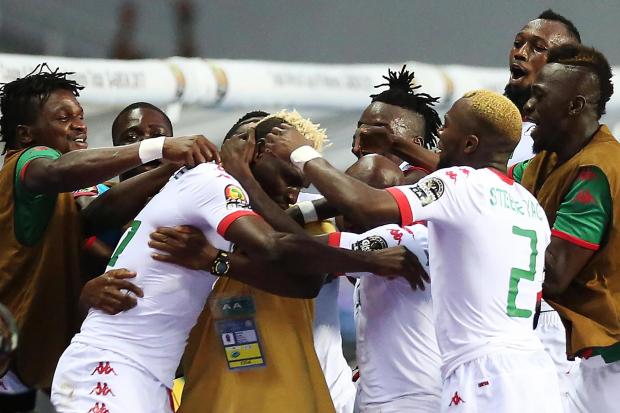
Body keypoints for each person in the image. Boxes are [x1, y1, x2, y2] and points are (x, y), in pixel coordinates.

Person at [50, 114, 416, 412]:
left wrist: (216, 261)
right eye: (288, 175)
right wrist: (369, 260)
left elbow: (305, 281)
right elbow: (274, 246)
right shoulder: (213, 183)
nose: (293, 191)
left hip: (154, 379)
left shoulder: (231, 212)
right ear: (253, 152)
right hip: (116, 365)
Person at [263, 89, 562, 412]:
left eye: (446, 127)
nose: (439, 138)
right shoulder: (528, 204)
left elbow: (363, 204)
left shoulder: (458, 183)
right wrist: (395, 143)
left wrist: (300, 152)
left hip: (480, 372)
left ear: (470, 144)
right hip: (535, 373)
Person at [0, 64, 218, 391]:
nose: (78, 126)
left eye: (80, 116)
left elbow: (95, 216)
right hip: (24, 362)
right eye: (63, 118)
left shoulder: (194, 200)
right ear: (25, 134)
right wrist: (158, 151)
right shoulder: (35, 165)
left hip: (68, 365)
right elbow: (82, 195)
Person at [512, 44, 619, 413]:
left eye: (539, 97)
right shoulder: (546, 160)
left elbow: (553, 274)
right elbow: (486, 185)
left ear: (574, 105)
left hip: (610, 363)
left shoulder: (597, 170)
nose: (527, 108)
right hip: (583, 357)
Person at [332, 155, 442, 412]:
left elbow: (286, 250)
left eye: (352, 202)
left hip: (411, 401)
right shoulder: (399, 242)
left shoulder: (399, 239)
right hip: (382, 396)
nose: (346, 217)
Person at [350, 65, 441, 183]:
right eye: (361, 128)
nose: (364, 137)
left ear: (415, 144)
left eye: (378, 131)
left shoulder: (422, 179)